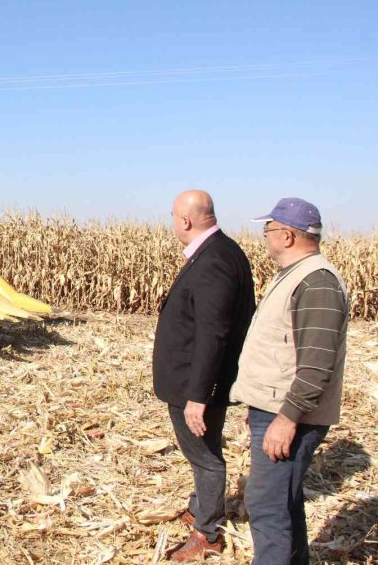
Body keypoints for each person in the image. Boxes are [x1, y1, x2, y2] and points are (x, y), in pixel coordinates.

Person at [230, 198, 348, 565]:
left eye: (268, 230)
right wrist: (259, 404)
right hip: (276, 408)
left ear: (287, 234)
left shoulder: (317, 283)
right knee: (284, 501)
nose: (264, 236)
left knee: (266, 505)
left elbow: (315, 366)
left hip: (291, 414)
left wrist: (285, 419)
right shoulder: (296, 276)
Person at [152, 190, 255, 561]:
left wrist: (199, 395)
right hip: (195, 380)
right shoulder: (221, 252)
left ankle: (207, 532)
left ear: (185, 221)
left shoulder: (214, 260)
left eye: (173, 217)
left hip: (196, 385)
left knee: (206, 457)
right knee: (201, 454)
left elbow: (214, 333)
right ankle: (200, 508)